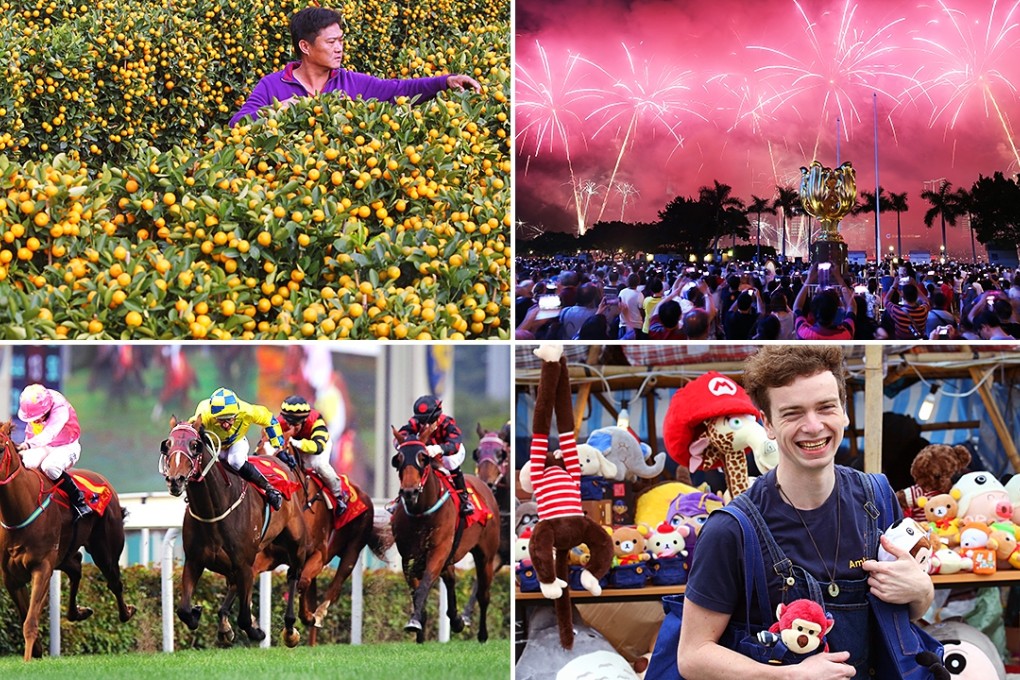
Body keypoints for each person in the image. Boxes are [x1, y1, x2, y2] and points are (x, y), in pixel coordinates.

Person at [675, 346, 934, 679]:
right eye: (793, 413)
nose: (813, 426)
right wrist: (788, 675)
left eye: (825, 407)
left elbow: (904, 614)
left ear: (844, 411)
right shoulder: (731, 530)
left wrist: (923, 592)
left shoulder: (879, 500)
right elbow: (693, 655)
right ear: (767, 423)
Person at [229, 7, 481, 126]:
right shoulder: (273, 84)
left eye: (341, 41)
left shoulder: (349, 82)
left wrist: (445, 81)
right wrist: (277, 109)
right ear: (305, 47)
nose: (339, 48)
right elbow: (237, 122)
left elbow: (398, 90)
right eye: (331, 42)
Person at [191, 387, 290, 510]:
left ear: (237, 414)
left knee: (235, 460)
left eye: (229, 419)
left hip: (236, 442)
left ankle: (269, 488)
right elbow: (191, 429)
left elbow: (269, 419)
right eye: (221, 420)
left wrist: (278, 446)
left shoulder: (247, 411)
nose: (226, 425)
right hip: (215, 446)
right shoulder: (204, 414)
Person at [17, 384, 93, 521]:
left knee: (50, 467)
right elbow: (31, 434)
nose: (35, 421)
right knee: (25, 462)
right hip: (45, 446)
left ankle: (79, 501)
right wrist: (23, 450)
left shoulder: (60, 408)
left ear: (46, 409)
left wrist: (27, 445)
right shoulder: (35, 409)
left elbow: (49, 434)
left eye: (38, 418)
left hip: (67, 446)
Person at [399, 395, 474, 517]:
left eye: (430, 422)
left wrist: (438, 449)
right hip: (426, 454)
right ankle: (400, 498)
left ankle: (464, 497)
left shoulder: (447, 423)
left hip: (450, 453)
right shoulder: (415, 422)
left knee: (449, 462)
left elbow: (455, 444)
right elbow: (402, 434)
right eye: (423, 422)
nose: (426, 426)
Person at [276, 395, 348, 516]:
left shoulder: (316, 421)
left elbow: (318, 447)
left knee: (319, 465)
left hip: (317, 445)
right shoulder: (279, 422)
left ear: (304, 420)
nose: (291, 427)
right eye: (288, 423)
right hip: (297, 445)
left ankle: (339, 496)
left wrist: (295, 442)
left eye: (295, 424)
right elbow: (266, 442)